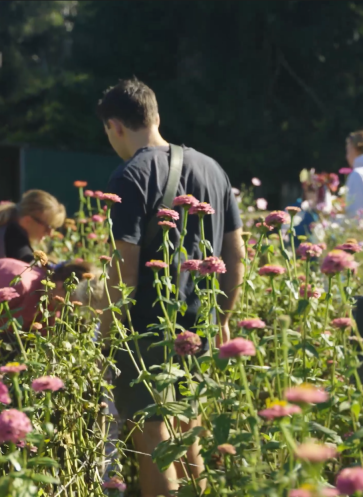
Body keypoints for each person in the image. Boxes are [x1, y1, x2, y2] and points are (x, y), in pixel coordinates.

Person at [96, 78, 245, 496]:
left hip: (148, 328)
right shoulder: (213, 168)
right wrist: (222, 319)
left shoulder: (130, 175)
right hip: (199, 324)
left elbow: (123, 273)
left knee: (153, 439)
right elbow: (237, 257)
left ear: (114, 126)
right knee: (189, 429)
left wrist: (107, 336)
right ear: (156, 117)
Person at [0, 258, 101, 331]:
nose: (73, 309)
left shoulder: (52, 306)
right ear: (62, 286)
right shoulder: (20, 286)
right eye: (75, 303)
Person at [0, 190, 66, 263]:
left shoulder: (0, 227)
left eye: (54, 228)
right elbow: (29, 264)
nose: (50, 233)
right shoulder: (14, 238)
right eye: (48, 227)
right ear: (27, 220)